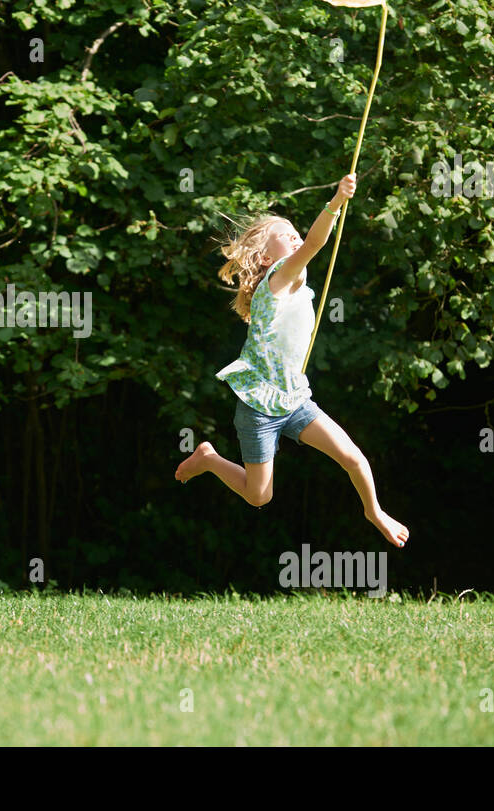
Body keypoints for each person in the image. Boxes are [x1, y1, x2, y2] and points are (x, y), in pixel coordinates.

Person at [175, 174, 409, 548]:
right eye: (287, 236)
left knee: (353, 456)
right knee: (258, 496)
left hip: (294, 398)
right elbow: (316, 242)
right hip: (258, 407)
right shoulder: (277, 278)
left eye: (296, 232)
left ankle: (374, 512)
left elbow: (310, 245)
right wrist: (334, 203)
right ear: (268, 257)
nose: (297, 237)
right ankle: (209, 458)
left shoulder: (296, 285)